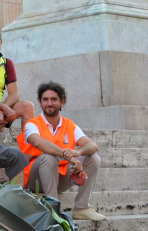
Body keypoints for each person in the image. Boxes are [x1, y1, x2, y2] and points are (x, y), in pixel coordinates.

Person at [18, 82, 106, 221]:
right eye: (45, 99)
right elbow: (39, 143)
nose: (49, 103)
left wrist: (77, 152)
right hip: (34, 178)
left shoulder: (69, 125)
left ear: (62, 102)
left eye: (54, 99)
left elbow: (92, 145)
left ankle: (82, 207)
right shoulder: (32, 124)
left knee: (93, 157)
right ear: (40, 102)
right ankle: (53, 208)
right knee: (49, 156)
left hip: (59, 178)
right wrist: (69, 156)